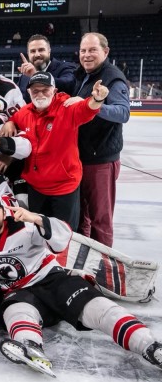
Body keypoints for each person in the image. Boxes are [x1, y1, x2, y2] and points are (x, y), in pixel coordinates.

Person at [0, 191, 162, 376]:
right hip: (20, 294)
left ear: (4, 211)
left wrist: (37, 219)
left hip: (54, 281)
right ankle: (31, 347)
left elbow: (63, 237)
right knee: (16, 311)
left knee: (98, 308)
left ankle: (150, 346)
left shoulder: (25, 226)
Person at [9, 71, 108, 228]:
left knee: (65, 234)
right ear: (29, 92)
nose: (40, 94)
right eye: (35, 90)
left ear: (54, 90)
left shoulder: (67, 107)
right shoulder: (24, 113)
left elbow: (87, 109)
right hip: (36, 188)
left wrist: (97, 99)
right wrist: (10, 123)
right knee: (38, 234)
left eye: (45, 90)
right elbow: (14, 118)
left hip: (64, 188)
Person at [72, 33, 130, 247]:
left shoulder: (112, 77)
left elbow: (123, 112)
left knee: (100, 220)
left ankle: (103, 270)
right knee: (81, 217)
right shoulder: (81, 74)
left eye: (92, 50)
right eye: (83, 50)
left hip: (101, 162)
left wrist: (93, 104)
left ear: (105, 52)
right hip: (81, 158)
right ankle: (83, 265)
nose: (86, 55)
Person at [16, 34, 77, 103]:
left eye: (41, 50)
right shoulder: (24, 78)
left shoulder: (65, 67)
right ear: (28, 54)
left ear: (49, 51)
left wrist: (37, 76)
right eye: (33, 51)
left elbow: (68, 84)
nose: (37, 54)